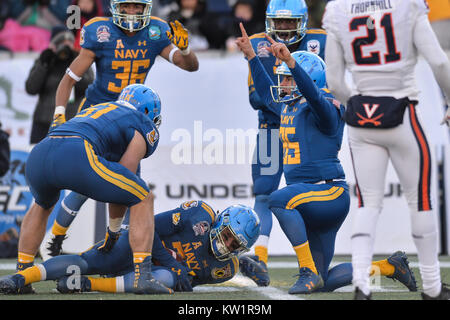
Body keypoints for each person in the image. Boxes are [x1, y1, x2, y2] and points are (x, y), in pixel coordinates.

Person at [235, 23, 418, 294]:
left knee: (276, 198)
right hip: (310, 198)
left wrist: (292, 63)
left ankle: (306, 270)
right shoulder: (290, 105)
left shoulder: (325, 108)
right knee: (324, 283)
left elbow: (313, 95)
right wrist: (252, 56)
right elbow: (264, 92)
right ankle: (390, 266)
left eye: (287, 78)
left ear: (307, 81)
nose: (282, 83)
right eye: (283, 78)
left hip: (327, 192)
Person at [42, 0, 199, 261]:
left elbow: (190, 65)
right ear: (116, 7)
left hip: (130, 118)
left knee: (126, 182)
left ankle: (112, 239)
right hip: (96, 113)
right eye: (127, 6)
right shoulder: (99, 31)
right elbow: (70, 78)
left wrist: (184, 47)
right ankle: (56, 237)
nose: (132, 13)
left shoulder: (155, 32)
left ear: (146, 8)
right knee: (85, 181)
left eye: (138, 7)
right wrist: (59, 113)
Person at [322, 0, 450, 300]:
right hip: (403, 112)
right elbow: (440, 62)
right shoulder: (407, 4)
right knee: (420, 201)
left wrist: (361, 103)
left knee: (368, 205)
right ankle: (432, 288)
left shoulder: (338, 8)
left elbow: (334, 81)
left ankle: (361, 287)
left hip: (361, 119)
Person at [10, 83, 173, 295]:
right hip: (76, 152)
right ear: (147, 112)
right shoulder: (142, 122)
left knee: (41, 205)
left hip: (41, 153)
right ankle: (143, 276)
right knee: (143, 196)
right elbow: (125, 181)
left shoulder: (98, 109)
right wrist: (113, 232)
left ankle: (23, 273)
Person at [238, 0, 327, 288]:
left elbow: (329, 86)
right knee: (264, 194)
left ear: (301, 21)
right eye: (280, 22)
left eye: (290, 22)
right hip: (271, 129)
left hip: (305, 132)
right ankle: (260, 259)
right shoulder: (258, 45)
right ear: (269, 21)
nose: (285, 27)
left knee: (309, 196)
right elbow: (255, 98)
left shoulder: (320, 40)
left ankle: (313, 260)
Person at [0, 202, 261, 294]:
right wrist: (171, 263)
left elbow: (187, 282)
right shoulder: (199, 215)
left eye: (234, 244)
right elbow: (147, 226)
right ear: (220, 223)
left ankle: (87, 285)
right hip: (135, 246)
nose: (227, 245)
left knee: (165, 279)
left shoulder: (225, 268)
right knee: (83, 263)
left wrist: (180, 276)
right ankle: (18, 279)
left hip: (149, 273)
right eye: (228, 236)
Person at [26, 27, 94, 144]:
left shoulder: (79, 59)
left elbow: (89, 86)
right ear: (53, 45)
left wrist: (74, 67)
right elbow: (31, 88)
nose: (65, 47)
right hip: (44, 120)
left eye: (69, 43)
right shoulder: (46, 59)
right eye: (61, 43)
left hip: (72, 121)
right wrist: (43, 65)